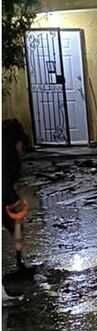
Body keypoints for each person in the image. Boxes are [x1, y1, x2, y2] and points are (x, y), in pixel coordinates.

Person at [3, 119, 29, 305]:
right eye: (23, 148)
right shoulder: (9, 157)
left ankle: (20, 264)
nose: (23, 153)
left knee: (15, 226)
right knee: (15, 225)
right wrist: (16, 202)